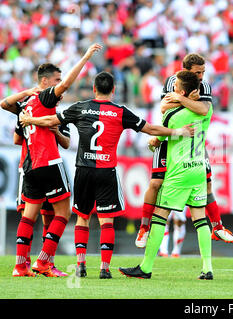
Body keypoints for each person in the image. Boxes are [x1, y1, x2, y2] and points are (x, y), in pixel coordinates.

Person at [20, 71, 194, 279]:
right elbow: (150, 129)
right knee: (107, 221)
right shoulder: (120, 111)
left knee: (83, 218)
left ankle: (81, 264)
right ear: (113, 90)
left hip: (83, 170)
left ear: (94, 88)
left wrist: (30, 119)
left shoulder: (80, 107)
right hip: (106, 171)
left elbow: (50, 121)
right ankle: (104, 268)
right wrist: (178, 131)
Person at [3, 43, 102, 277]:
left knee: (29, 215)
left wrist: (47, 126)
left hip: (30, 166)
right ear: (46, 82)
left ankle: (20, 266)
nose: (61, 86)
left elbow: (14, 126)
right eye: (56, 80)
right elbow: (67, 83)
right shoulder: (46, 99)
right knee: (63, 214)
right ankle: (44, 262)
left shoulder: (26, 107)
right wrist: (86, 55)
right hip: (48, 162)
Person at [135, 53, 233, 249]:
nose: (201, 76)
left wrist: (180, 99)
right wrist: (187, 100)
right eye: (198, 72)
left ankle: (218, 226)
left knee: (207, 184)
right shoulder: (172, 81)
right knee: (156, 183)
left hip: (194, 143)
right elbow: (164, 107)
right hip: (171, 136)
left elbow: (204, 109)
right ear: (186, 72)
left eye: (203, 72)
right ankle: (144, 228)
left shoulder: (204, 86)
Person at [119, 70, 214, 280]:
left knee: (159, 216)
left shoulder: (172, 115)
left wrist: (153, 142)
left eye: (174, 88)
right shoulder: (206, 111)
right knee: (200, 218)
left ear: (180, 91)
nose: (171, 91)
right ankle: (207, 268)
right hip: (199, 169)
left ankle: (145, 267)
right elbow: (202, 108)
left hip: (178, 172)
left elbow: (157, 139)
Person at [14, 118, 71, 277]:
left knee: (49, 216)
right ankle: (25, 262)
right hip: (33, 166)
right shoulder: (27, 111)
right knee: (26, 213)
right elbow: (16, 139)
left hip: (43, 167)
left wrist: (56, 132)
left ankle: (47, 263)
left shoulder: (58, 117)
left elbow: (66, 143)